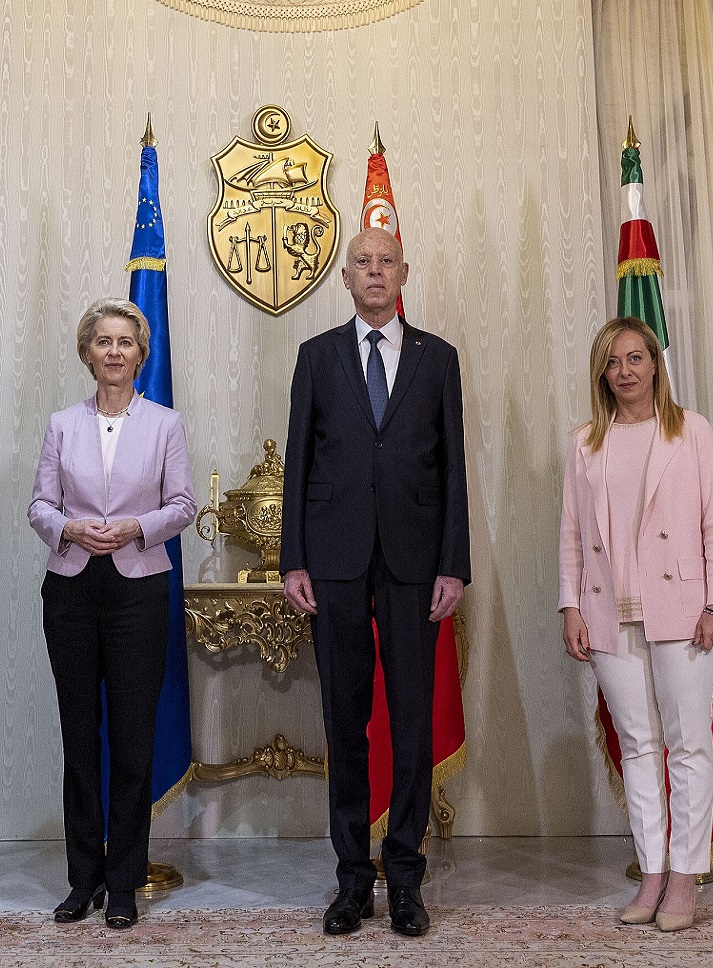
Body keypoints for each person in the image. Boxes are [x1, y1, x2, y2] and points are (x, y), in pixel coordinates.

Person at [280, 227, 470, 938]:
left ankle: (406, 880)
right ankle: (352, 881)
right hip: (332, 562)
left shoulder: (438, 358)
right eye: (363, 262)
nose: (375, 272)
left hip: (417, 567)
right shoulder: (318, 356)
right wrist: (292, 558)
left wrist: (454, 563)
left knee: (412, 726)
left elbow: (453, 467)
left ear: (405, 273)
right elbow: (299, 460)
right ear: (347, 276)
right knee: (344, 723)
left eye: (386, 261)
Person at [559, 316, 713, 933]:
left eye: (636, 358)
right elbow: (573, 536)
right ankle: (652, 872)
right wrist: (571, 605)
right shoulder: (585, 443)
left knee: (688, 745)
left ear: (656, 363)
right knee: (638, 746)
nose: (626, 371)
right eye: (613, 362)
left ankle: (685, 881)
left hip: (687, 612)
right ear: (602, 373)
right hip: (609, 611)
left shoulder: (691, 432)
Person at [28, 299, 195, 930]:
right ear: (87, 353)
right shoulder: (62, 424)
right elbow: (40, 506)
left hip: (139, 590)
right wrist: (69, 528)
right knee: (79, 736)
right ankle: (83, 880)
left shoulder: (164, 425)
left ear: (141, 354)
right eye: (104, 342)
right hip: (71, 588)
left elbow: (180, 504)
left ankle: (124, 882)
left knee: (131, 740)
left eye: (127, 343)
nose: (116, 352)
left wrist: (136, 527)